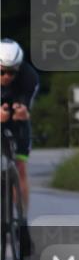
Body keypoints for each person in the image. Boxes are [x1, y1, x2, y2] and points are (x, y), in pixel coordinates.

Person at [0, 39, 39, 213]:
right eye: (1, 72)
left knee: (21, 167)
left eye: (11, 72)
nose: (6, 76)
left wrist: (23, 111)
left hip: (16, 120)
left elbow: (26, 106)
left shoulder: (29, 76)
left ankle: (22, 224)